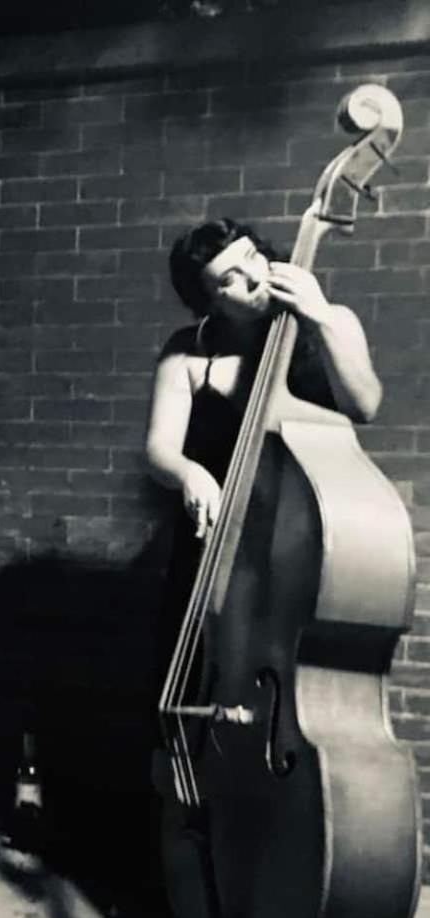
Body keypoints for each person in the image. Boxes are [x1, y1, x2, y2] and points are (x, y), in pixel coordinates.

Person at [145, 218, 382, 634]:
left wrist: (321, 318)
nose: (255, 278)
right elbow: (159, 450)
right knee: (196, 662)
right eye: (229, 280)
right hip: (217, 536)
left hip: (305, 535)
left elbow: (364, 406)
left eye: (253, 257)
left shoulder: (333, 322)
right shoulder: (187, 352)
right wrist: (189, 473)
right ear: (209, 303)